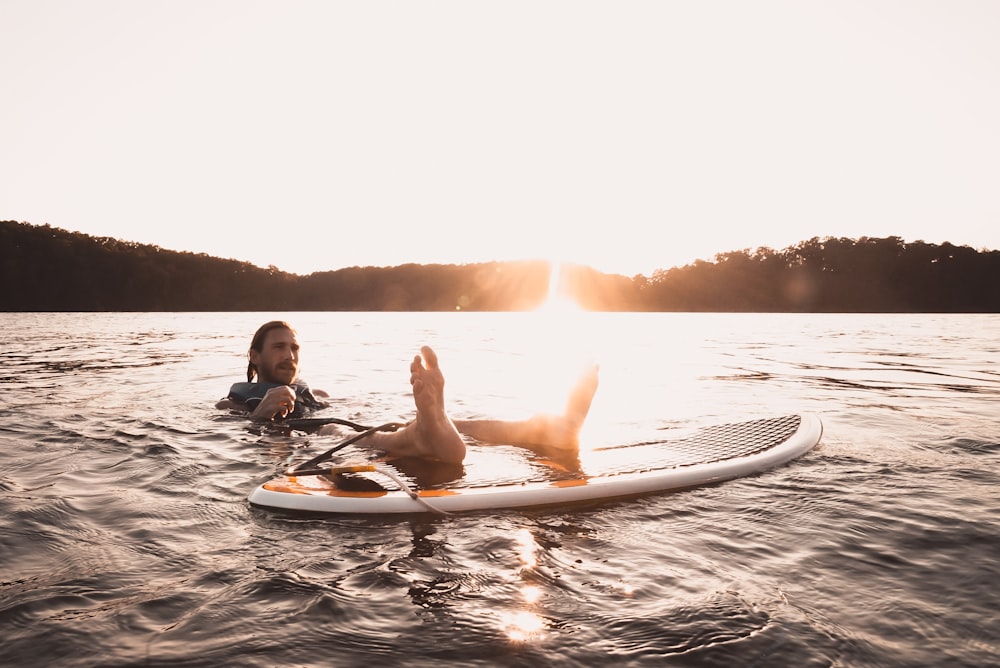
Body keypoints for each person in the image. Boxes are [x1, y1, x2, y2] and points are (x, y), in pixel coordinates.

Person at [217, 320, 599, 465]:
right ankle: (425, 432)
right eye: (279, 348)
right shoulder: (232, 400)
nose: (289, 355)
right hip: (313, 437)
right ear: (255, 356)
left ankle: (548, 431)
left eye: (294, 348)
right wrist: (259, 415)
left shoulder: (311, 390)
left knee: (457, 423)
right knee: (336, 432)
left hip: (351, 426)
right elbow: (228, 434)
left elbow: (345, 408)